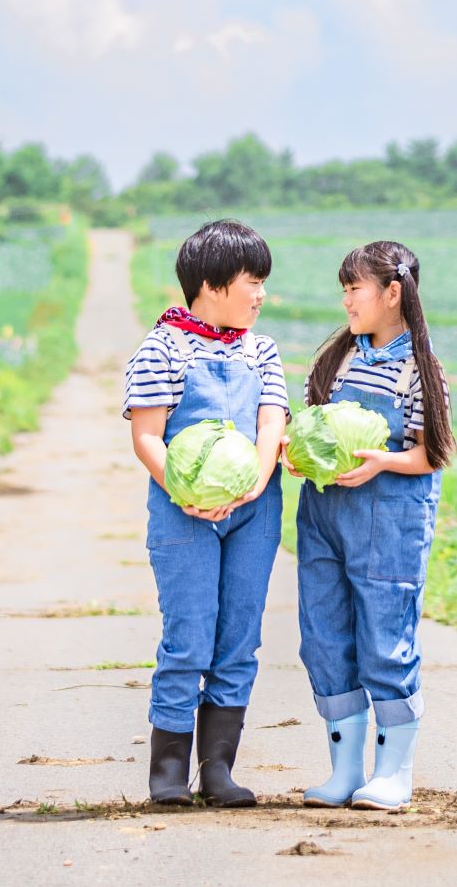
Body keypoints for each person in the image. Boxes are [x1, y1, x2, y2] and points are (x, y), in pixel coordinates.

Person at [122, 218, 288, 806]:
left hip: (254, 510)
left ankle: (218, 771)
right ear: (213, 283)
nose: (262, 294)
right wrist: (184, 491)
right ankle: (166, 772)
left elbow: (272, 421)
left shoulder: (262, 350)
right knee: (188, 637)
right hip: (182, 510)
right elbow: (147, 436)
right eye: (253, 280)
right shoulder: (162, 345)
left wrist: (255, 482)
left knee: (237, 639)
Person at [294, 239, 456, 812]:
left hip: (389, 516)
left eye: (354, 289)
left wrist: (380, 462)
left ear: (393, 293)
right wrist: (300, 454)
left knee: (385, 641)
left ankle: (393, 774)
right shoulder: (337, 358)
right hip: (324, 516)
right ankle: (343, 772)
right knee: (324, 637)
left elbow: (429, 453)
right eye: (343, 290)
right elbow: (312, 423)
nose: (346, 301)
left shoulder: (421, 367)